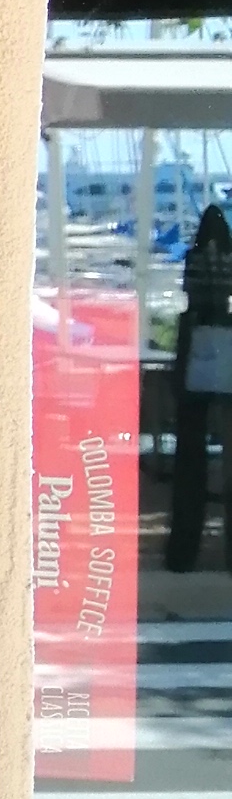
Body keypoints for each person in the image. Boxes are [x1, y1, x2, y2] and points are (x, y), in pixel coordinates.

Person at [168, 203, 232, 570]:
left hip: (194, 354)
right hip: (224, 355)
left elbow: (191, 297)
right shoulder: (227, 262)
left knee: (190, 458)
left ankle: (183, 551)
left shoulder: (193, 262)